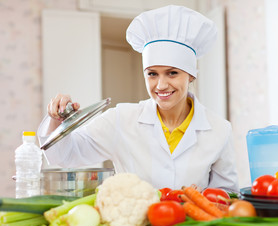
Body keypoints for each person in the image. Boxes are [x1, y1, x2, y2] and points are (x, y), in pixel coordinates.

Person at [38, 5, 239, 191]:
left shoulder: (219, 130)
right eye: (152, 74)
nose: (161, 85)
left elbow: (226, 196)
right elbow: (64, 156)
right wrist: (56, 119)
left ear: (191, 75)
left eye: (172, 73)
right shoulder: (120, 119)